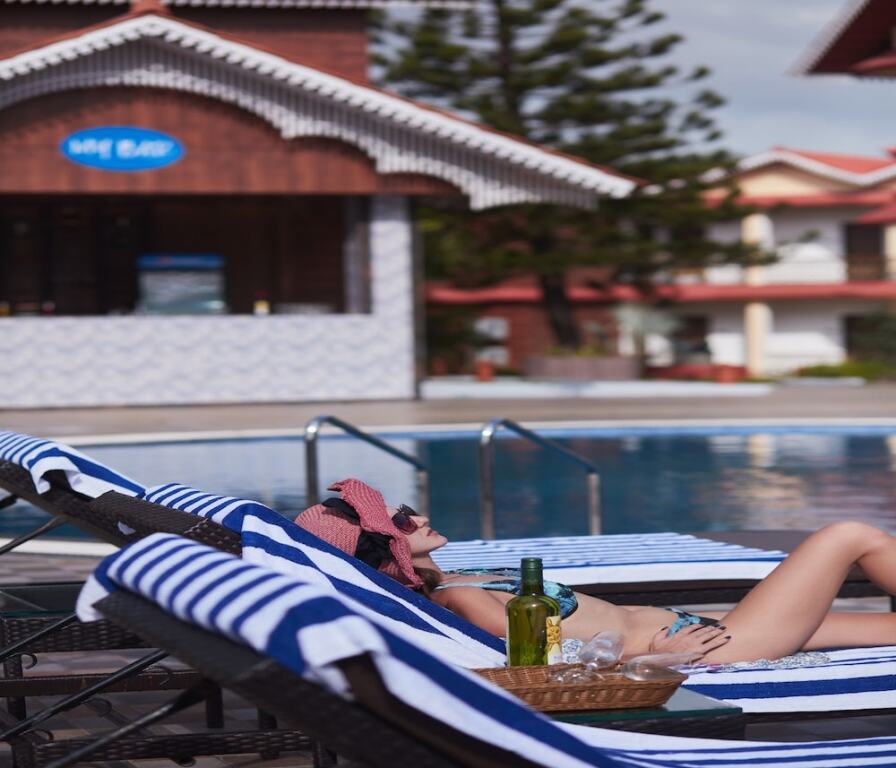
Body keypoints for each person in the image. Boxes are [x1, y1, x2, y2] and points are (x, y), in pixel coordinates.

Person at [295, 479, 896, 664]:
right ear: (386, 548)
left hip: (702, 625)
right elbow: (547, 666)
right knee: (848, 535)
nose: (418, 516)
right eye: (401, 520)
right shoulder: (460, 600)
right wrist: (660, 658)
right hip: (711, 646)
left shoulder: (461, 580)